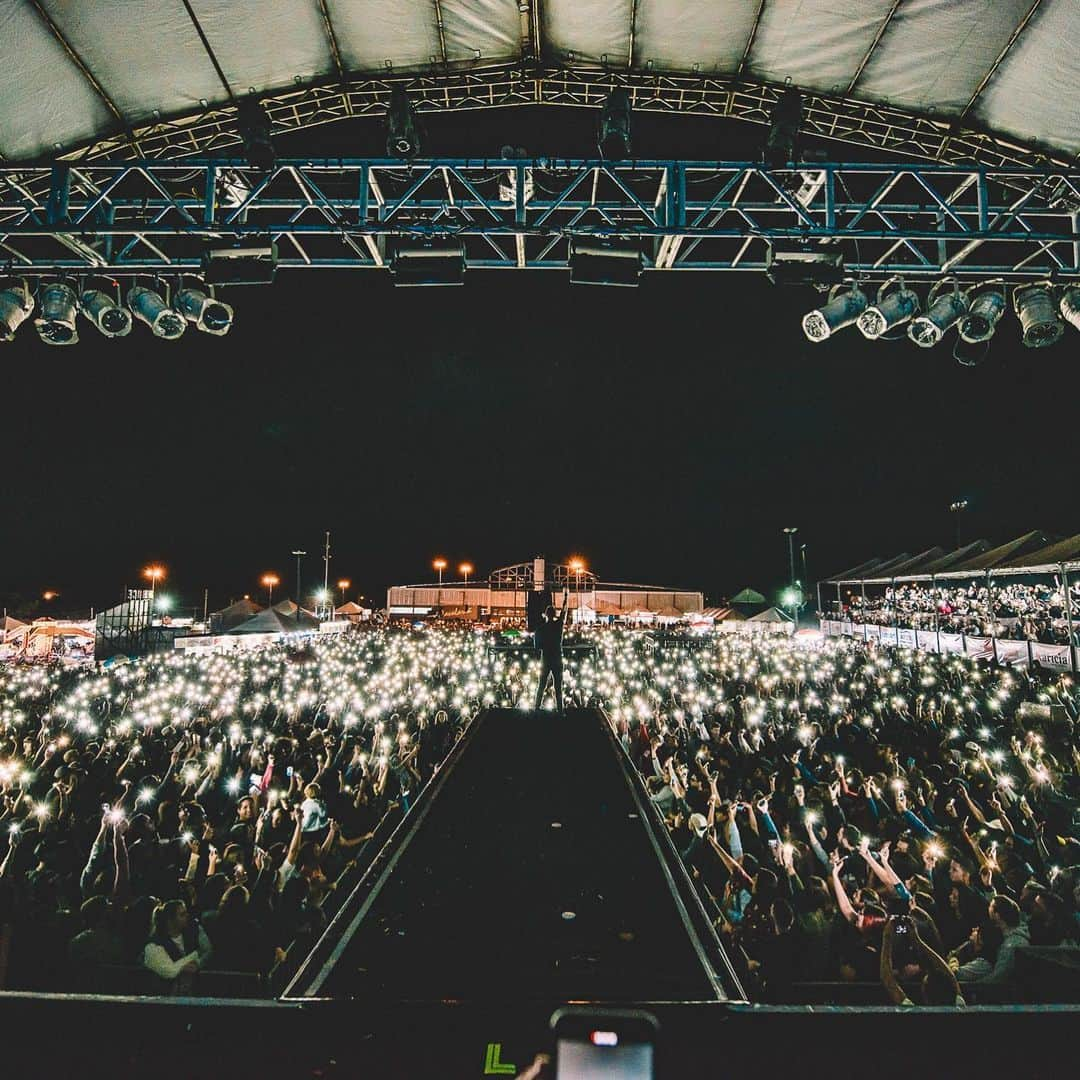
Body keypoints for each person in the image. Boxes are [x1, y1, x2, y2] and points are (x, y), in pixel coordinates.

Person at [534, 585, 570, 712]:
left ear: (545, 615)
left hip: (546, 659)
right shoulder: (559, 625)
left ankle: (536, 708)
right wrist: (566, 597)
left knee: (541, 685)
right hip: (557, 659)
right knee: (558, 687)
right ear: (554, 614)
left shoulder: (541, 629)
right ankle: (560, 710)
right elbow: (564, 611)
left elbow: (536, 646)